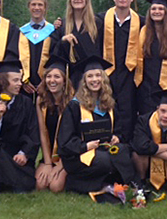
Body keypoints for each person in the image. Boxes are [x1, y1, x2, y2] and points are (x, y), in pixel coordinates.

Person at [57, 55, 137, 194]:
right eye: (90, 76)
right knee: (106, 160)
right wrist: (86, 146)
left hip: (105, 148)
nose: (95, 80)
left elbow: (118, 129)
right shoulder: (74, 106)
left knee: (123, 151)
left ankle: (129, 186)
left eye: (98, 75)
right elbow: (64, 141)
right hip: (79, 154)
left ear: (104, 79)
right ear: (84, 81)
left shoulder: (109, 103)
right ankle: (81, 184)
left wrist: (116, 138)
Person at [0, 60, 38, 193]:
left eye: (20, 80)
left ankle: (7, 181)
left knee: (25, 185)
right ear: (3, 82)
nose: (19, 84)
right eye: (15, 80)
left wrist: (24, 154)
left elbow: (33, 131)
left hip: (18, 153)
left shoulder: (26, 103)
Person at [98, 0, 144, 142]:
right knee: (106, 107)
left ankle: (126, 147)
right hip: (107, 73)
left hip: (130, 75)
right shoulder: (101, 20)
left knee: (129, 110)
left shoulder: (142, 21)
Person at [134, 0, 167, 115]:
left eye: (161, 9)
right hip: (146, 88)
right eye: (153, 9)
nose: (157, 11)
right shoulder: (143, 31)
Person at [35, 55, 75, 192]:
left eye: (57, 77)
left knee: (55, 187)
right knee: (40, 185)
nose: (52, 80)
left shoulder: (73, 102)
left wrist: (60, 164)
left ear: (64, 80)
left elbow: (75, 136)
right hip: (49, 153)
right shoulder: (41, 100)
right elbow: (42, 133)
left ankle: (71, 175)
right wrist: (47, 163)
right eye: (48, 77)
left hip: (68, 156)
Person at [52, 0, 102, 87]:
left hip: (92, 78)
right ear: (70, 0)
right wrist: (62, 41)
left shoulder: (97, 23)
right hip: (70, 78)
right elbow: (54, 54)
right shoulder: (63, 25)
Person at [17, 0, 57, 101]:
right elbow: (16, 58)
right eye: (33, 4)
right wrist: (23, 81)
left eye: (40, 5)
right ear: (28, 7)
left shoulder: (53, 31)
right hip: (24, 88)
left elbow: (55, 58)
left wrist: (46, 81)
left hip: (48, 87)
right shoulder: (20, 32)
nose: (36, 8)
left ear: (45, 8)